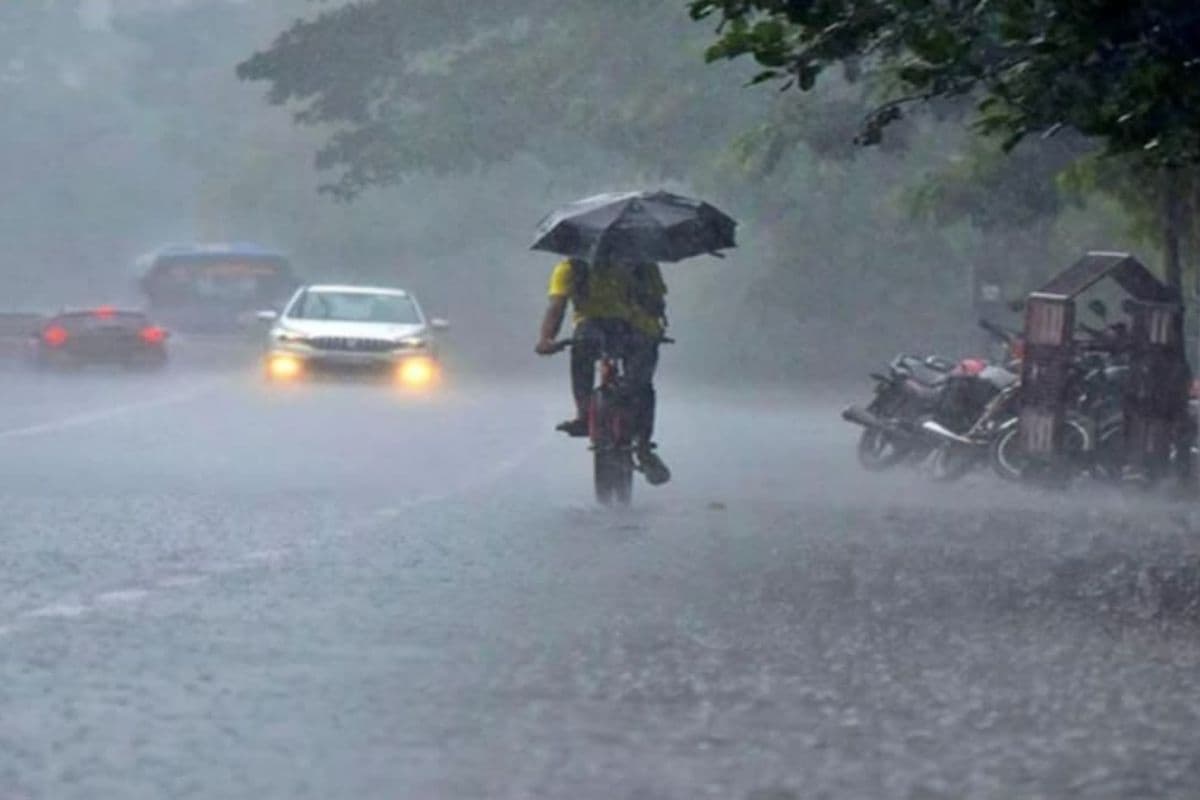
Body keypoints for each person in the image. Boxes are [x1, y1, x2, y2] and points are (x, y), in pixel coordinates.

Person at [535, 253, 671, 485]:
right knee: (642, 384)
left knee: (582, 355)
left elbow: (557, 306)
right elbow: (657, 304)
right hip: (631, 331)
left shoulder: (571, 267)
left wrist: (547, 339)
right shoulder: (644, 264)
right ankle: (644, 445)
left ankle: (583, 413)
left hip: (593, 330)